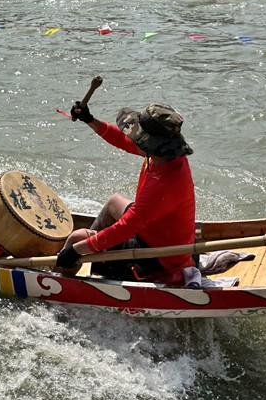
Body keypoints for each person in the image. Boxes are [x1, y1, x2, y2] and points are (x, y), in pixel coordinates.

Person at [57, 100, 195, 285]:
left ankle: (59, 280)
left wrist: (78, 250)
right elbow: (124, 140)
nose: (134, 139)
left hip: (160, 258)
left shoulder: (163, 184)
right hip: (155, 233)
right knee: (115, 202)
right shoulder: (165, 156)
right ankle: (96, 253)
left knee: (76, 239)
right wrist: (90, 119)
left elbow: (127, 227)